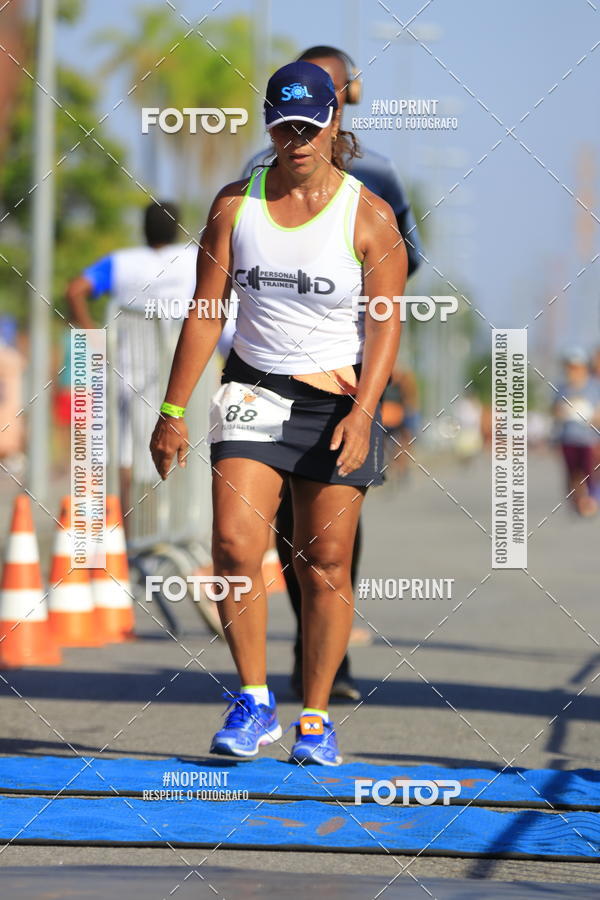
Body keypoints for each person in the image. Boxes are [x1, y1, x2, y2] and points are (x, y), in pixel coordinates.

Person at [150, 61, 407, 766]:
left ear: (334, 126)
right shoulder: (236, 206)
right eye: (282, 126)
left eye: (309, 126)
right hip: (254, 389)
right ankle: (255, 700)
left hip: (336, 401)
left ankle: (316, 717)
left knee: (323, 563)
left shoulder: (370, 217)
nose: (295, 140)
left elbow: (385, 325)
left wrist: (364, 410)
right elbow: (208, 311)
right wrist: (173, 409)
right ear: (268, 127)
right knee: (235, 545)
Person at [238, 45, 421, 702]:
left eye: (329, 98)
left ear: (343, 104)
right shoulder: (257, 172)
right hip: (261, 377)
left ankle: (327, 665)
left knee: (331, 540)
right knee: (274, 525)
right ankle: (291, 651)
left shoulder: (378, 180)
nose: (300, 132)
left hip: (346, 377)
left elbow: (400, 270)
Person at [66, 201, 197, 525]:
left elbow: (74, 291)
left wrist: (92, 332)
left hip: (128, 374)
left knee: (126, 453)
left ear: (144, 228)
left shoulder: (122, 262)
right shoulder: (192, 259)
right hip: (182, 375)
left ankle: (125, 528)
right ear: (176, 228)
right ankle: (167, 527)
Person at [552, 347, 600, 517]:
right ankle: (576, 501)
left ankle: (590, 501)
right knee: (572, 473)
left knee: (589, 472)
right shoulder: (562, 388)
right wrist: (564, 411)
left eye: (576, 367)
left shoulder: (594, 387)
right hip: (568, 437)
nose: (572, 371)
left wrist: (591, 415)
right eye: (570, 367)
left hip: (588, 439)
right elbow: (554, 410)